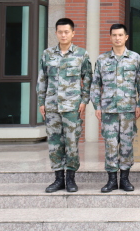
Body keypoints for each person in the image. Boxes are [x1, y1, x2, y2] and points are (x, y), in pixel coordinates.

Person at [37, 18, 92, 193]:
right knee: (54, 144)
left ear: (73, 33)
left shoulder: (81, 54)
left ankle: (71, 179)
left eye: (66, 32)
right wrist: (41, 102)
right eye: (60, 32)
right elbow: (42, 79)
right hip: (52, 106)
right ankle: (58, 179)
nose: (63, 35)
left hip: (72, 107)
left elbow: (88, 79)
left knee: (71, 143)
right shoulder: (47, 54)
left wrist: (84, 101)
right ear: (56, 33)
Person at [90, 24, 140, 193]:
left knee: (127, 145)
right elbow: (95, 84)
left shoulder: (135, 58)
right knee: (111, 145)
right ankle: (112, 180)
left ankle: (125, 179)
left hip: (128, 110)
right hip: (109, 111)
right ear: (110, 37)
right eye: (114, 35)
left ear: (126, 37)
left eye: (120, 35)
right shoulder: (102, 59)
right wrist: (97, 106)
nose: (117, 38)